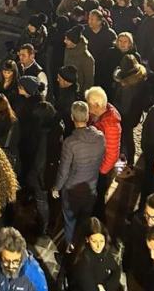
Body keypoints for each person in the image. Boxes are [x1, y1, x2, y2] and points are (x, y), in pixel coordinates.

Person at [52, 101, 105, 246]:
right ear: (88, 116)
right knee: (85, 220)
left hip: (72, 191)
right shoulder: (100, 137)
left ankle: (70, 246)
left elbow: (63, 170)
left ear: (71, 117)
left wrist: (56, 187)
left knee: (70, 221)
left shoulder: (70, 143)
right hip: (91, 188)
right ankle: (82, 245)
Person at [15, 76, 56, 230]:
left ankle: (44, 225)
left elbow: (39, 160)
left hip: (38, 174)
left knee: (41, 200)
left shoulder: (39, 127)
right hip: (33, 163)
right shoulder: (39, 109)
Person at [63, 217, 121, 291]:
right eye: (94, 241)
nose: (99, 245)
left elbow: (116, 271)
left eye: (101, 241)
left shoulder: (104, 252)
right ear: (87, 239)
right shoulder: (82, 263)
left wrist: (105, 287)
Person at [86, 86, 121, 219]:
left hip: (100, 170)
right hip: (93, 165)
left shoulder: (111, 124)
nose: (87, 107)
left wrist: (101, 171)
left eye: (89, 104)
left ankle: (98, 223)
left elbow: (112, 155)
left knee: (98, 199)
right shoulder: (97, 115)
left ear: (97, 105)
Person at [112, 54, 149, 173]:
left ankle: (127, 162)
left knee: (126, 139)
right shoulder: (139, 78)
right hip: (132, 115)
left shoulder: (128, 85)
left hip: (126, 116)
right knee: (127, 138)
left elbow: (124, 104)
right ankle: (129, 161)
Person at [63, 26, 95, 96]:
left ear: (74, 41)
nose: (64, 41)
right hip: (65, 89)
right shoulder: (68, 49)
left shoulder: (87, 58)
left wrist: (82, 96)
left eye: (67, 39)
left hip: (77, 94)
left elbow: (89, 81)